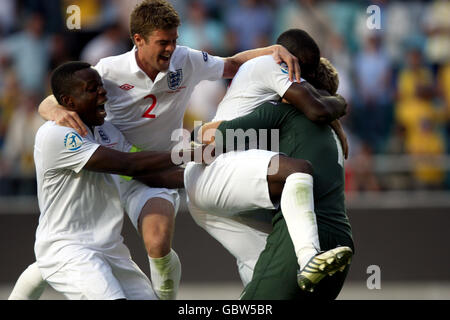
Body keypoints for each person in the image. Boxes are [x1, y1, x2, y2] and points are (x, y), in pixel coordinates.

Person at [34, 0, 301, 300]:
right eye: (163, 42)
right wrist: (51, 111)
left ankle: (167, 297)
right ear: (138, 40)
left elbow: (233, 64)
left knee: (158, 241)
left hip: (156, 172)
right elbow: (58, 97)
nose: (171, 49)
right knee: (73, 242)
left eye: (174, 40)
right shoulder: (109, 70)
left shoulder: (186, 60)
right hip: (113, 166)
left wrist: (271, 51)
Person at [22, 61, 197, 300]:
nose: (103, 92)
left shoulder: (107, 132)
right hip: (69, 250)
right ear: (69, 101)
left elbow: (148, 174)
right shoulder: (56, 135)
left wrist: (203, 176)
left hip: (110, 249)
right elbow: (129, 164)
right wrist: (190, 153)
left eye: (101, 86)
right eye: (92, 88)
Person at [204, 57, 354, 299]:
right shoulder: (333, 132)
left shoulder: (284, 113)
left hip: (300, 238)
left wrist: (193, 135)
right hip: (341, 245)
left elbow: (215, 136)